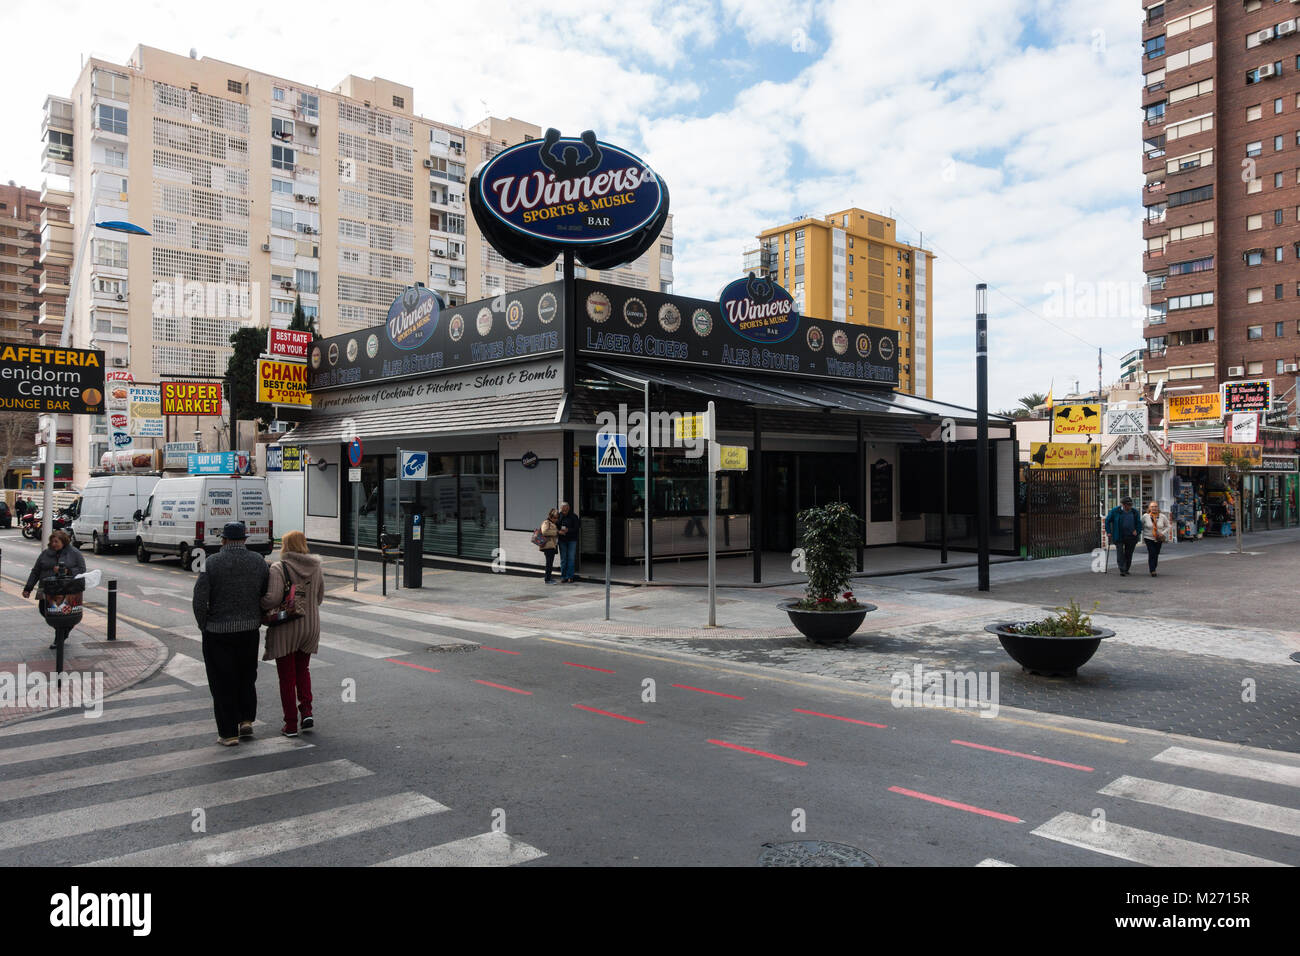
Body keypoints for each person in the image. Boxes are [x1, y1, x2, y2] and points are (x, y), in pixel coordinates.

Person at [193, 522, 269, 746]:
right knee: (247, 676)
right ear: (244, 539)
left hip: (218, 632)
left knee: (222, 681)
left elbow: (199, 599)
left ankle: (228, 733)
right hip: (249, 630)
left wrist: (203, 625)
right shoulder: (258, 561)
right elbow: (265, 593)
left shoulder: (212, 562)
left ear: (223, 540)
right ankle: (246, 720)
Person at [259, 531, 323, 738]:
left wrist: (259, 604)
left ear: (285, 546)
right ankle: (307, 711)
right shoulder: (316, 567)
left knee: (287, 677)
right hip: (310, 626)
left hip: (287, 628)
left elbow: (272, 599)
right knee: (303, 670)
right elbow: (320, 597)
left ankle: (291, 724)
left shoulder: (279, 567)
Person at [24, 529, 86, 646]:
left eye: (56, 542)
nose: (54, 544)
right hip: (47, 589)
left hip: (66, 590)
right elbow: (36, 571)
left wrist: (68, 571)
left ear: (63, 542)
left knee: (63, 614)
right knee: (44, 611)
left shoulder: (74, 553)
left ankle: (60, 636)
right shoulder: (45, 553)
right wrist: (28, 588)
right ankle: (63, 631)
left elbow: (82, 570)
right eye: (52, 541)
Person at [1104, 497, 1142, 576]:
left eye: (1130, 505)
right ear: (1123, 505)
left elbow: (1139, 523)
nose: (1129, 507)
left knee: (1129, 553)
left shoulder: (1134, 512)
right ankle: (1122, 569)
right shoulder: (1115, 511)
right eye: (1128, 505)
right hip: (1119, 535)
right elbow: (1107, 521)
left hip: (1131, 536)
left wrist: (1137, 531)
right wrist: (1108, 532)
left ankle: (1126, 568)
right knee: (1120, 553)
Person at [1141, 500, 1172, 577]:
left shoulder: (1162, 516)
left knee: (1156, 553)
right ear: (1149, 508)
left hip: (1158, 538)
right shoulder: (1145, 516)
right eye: (1152, 507)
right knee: (1152, 553)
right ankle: (1152, 570)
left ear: (1158, 508)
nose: (1154, 508)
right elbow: (1141, 526)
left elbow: (1168, 526)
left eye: (1155, 506)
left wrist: (1163, 533)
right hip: (1148, 537)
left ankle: (1154, 566)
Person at [557, 501, 580, 583]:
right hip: (562, 540)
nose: (564, 512)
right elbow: (555, 526)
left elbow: (577, 528)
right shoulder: (559, 516)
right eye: (563, 510)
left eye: (566, 510)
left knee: (571, 558)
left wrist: (568, 530)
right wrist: (559, 531)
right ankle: (563, 576)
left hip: (572, 540)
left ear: (569, 509)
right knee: (563, 559)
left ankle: (570, 576)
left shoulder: (574, 517)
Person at [538, 508, 559, 584]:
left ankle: (549, 578)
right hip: (548, 546)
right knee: (549, 563)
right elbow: (544, 532)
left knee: (550, 563)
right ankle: (547, 579)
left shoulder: (552, 523)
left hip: (552, 545)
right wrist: (556, 532)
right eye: (554, 518)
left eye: (557, 518)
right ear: (550, 517)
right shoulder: (546, 522)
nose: (556, 519)